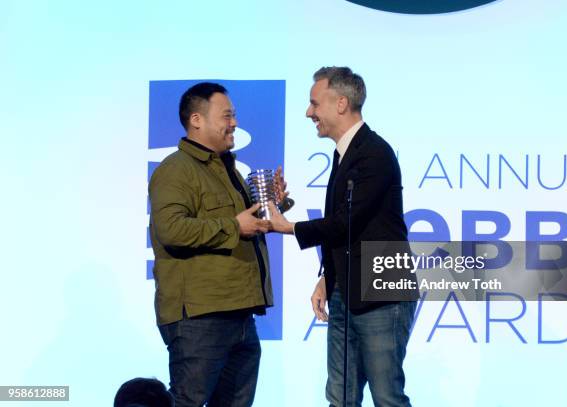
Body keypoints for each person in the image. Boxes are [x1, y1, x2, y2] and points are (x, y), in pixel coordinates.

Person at [270, 67, 419, 406]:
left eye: (313, 103)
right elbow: (351, 232)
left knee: (387, 397)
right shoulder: (345, 153)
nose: (309, 113)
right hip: (346, 290)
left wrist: (289, 227)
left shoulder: (374, 153)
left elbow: (345, 221)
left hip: (382, 288)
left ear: (340, 103)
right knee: (340, 397)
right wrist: (328, 278)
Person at [148, 82, 286, 407]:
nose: (234, 123)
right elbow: (171, 229)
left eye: (234, 116)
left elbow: (247, 221)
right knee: (188, 402)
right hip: (199, 318)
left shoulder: (229, 170)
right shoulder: (175, 170)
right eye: (227, 116)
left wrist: (274, 204)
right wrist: (233, 226)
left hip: (239, 314)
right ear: (196, 120)